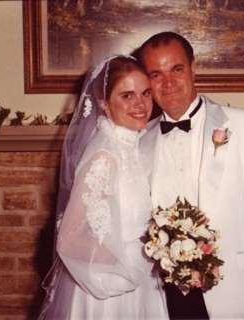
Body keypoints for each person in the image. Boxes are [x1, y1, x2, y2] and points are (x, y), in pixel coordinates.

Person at [135, 32, 244, 319]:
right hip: (161, 297)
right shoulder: (140, 141)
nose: (168, 83)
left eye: (177, 69)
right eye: (156, 74)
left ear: (194, 68)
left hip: (236, 293)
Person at [38, 55, 168, 319]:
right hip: (109, 293)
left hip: (140, 285)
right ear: (104, 103)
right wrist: (134, 257)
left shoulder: (131, 145)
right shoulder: (104, 156)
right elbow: (69, 239)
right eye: (127, 96)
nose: (141, 104)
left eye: (145, 93)